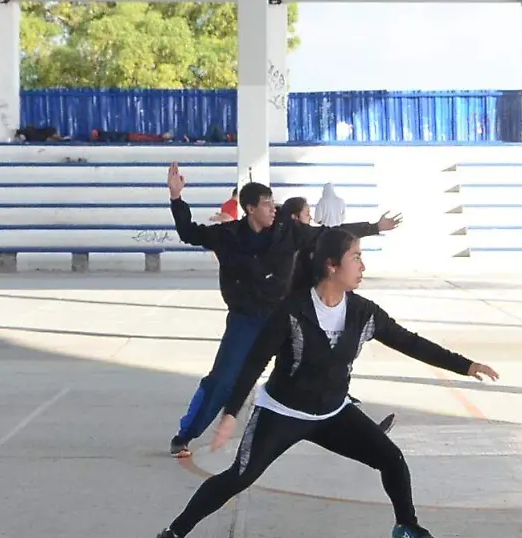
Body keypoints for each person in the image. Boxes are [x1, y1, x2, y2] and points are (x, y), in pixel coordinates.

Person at [151, 230, 499, 538]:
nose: (362, 267)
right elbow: (255, 362)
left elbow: (410, 342)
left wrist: (465, 365)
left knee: (391, 458)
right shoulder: (292, 310)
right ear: (332, 265)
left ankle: (406, 525)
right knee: (239, 476)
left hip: (333, 412)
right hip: (282, 412)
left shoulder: (364, 312)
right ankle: (173, 533)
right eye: (356, 258)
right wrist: (230, 414)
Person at [165, 163, 401, 457]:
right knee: (223, 381)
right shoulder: (228, 235)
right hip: (246, 320)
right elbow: (188, 232)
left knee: (323, 370)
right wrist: (176, 198)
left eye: (272, 203)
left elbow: (329, 234)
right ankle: (185, 435)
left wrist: (374, 228)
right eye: (266, 204)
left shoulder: (289, 232)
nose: (272, 209)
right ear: (250, 209)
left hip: (284, 319)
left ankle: (362, 431)